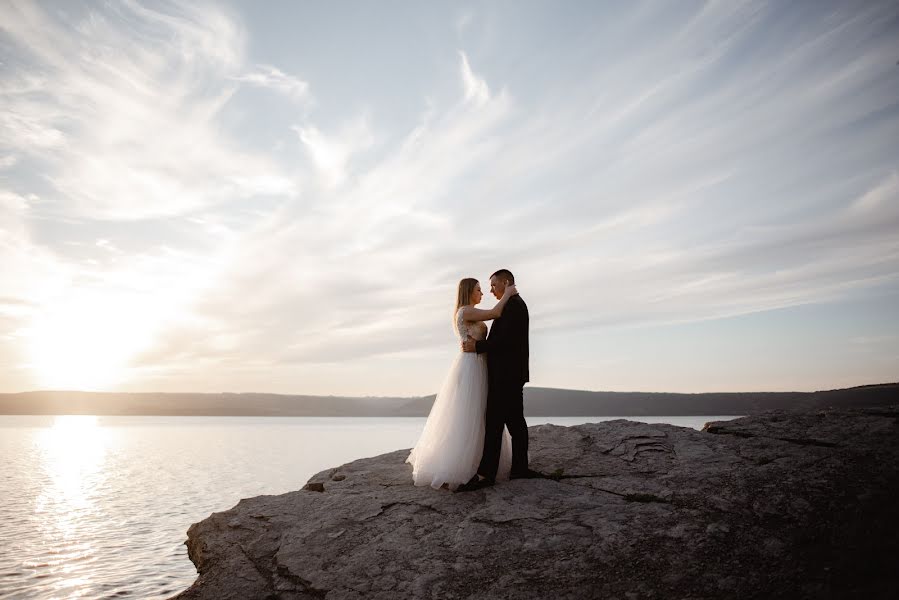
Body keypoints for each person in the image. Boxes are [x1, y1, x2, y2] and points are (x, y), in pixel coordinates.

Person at [405, 278, 517, 490]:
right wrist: (507, 294)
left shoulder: (469, 311)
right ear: (468, 292)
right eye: (478, 290)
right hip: (471, 367)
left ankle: (480, 463)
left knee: (482, 414)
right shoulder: (465, 312)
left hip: (480, 365)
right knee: (469, 414)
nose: (482, 293)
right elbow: (495, 313)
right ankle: (461, 466)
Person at [455, 269, 543, 492]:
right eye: (485, 287)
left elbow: (506, 342)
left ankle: (488, 475)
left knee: (497, 424)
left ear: (506, 283)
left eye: (494, 285)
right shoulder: (510, 304)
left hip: (507, 375)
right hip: (507, 374)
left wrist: (479, 346)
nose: (491, 290)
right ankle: (517, 469)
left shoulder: (514, 306)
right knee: (513, 422)